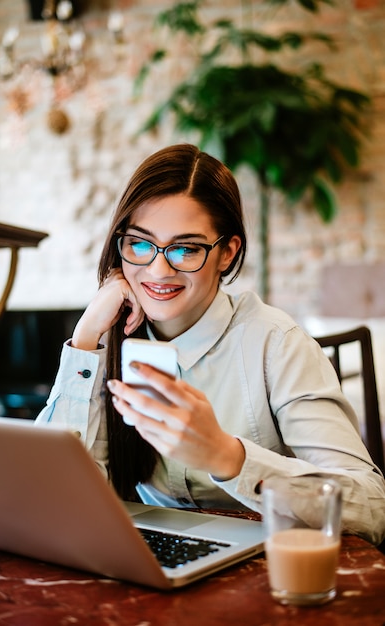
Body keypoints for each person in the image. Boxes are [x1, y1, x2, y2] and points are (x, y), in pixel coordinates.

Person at [36, 143, 385, 546]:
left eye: (186, 249)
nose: (158, 269)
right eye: (140, 243)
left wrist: (228, 457)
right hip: (146, 557)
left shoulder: (277, 344)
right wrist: (84, 339)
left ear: (227, 253)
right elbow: (54, 495)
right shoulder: (109, 340)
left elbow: (373, 508)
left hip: (267, 565)